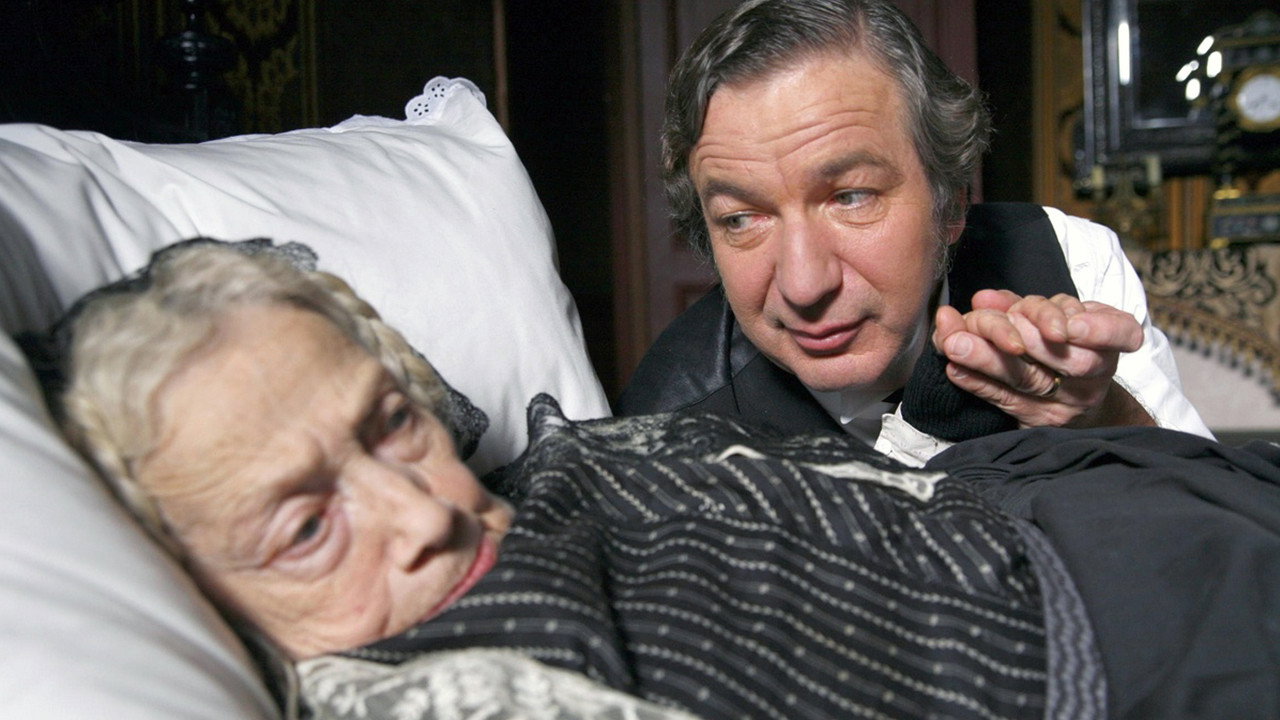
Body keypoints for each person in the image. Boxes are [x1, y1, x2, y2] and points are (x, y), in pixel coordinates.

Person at [48, 240, 1280, 720]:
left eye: (391, 426)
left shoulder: (561, 459)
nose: (426, 514)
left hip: (1099, 492)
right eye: (306, 528)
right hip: (1149, 635)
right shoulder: (428, 695)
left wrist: (1048, 414)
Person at [616, 0, 1211, 466]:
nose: (803, 285)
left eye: (851, 197)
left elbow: (1213, 521)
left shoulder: (1068, 260)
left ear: (950, 202)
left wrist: (1101, 414)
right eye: (741, 218)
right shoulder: (665, 433)